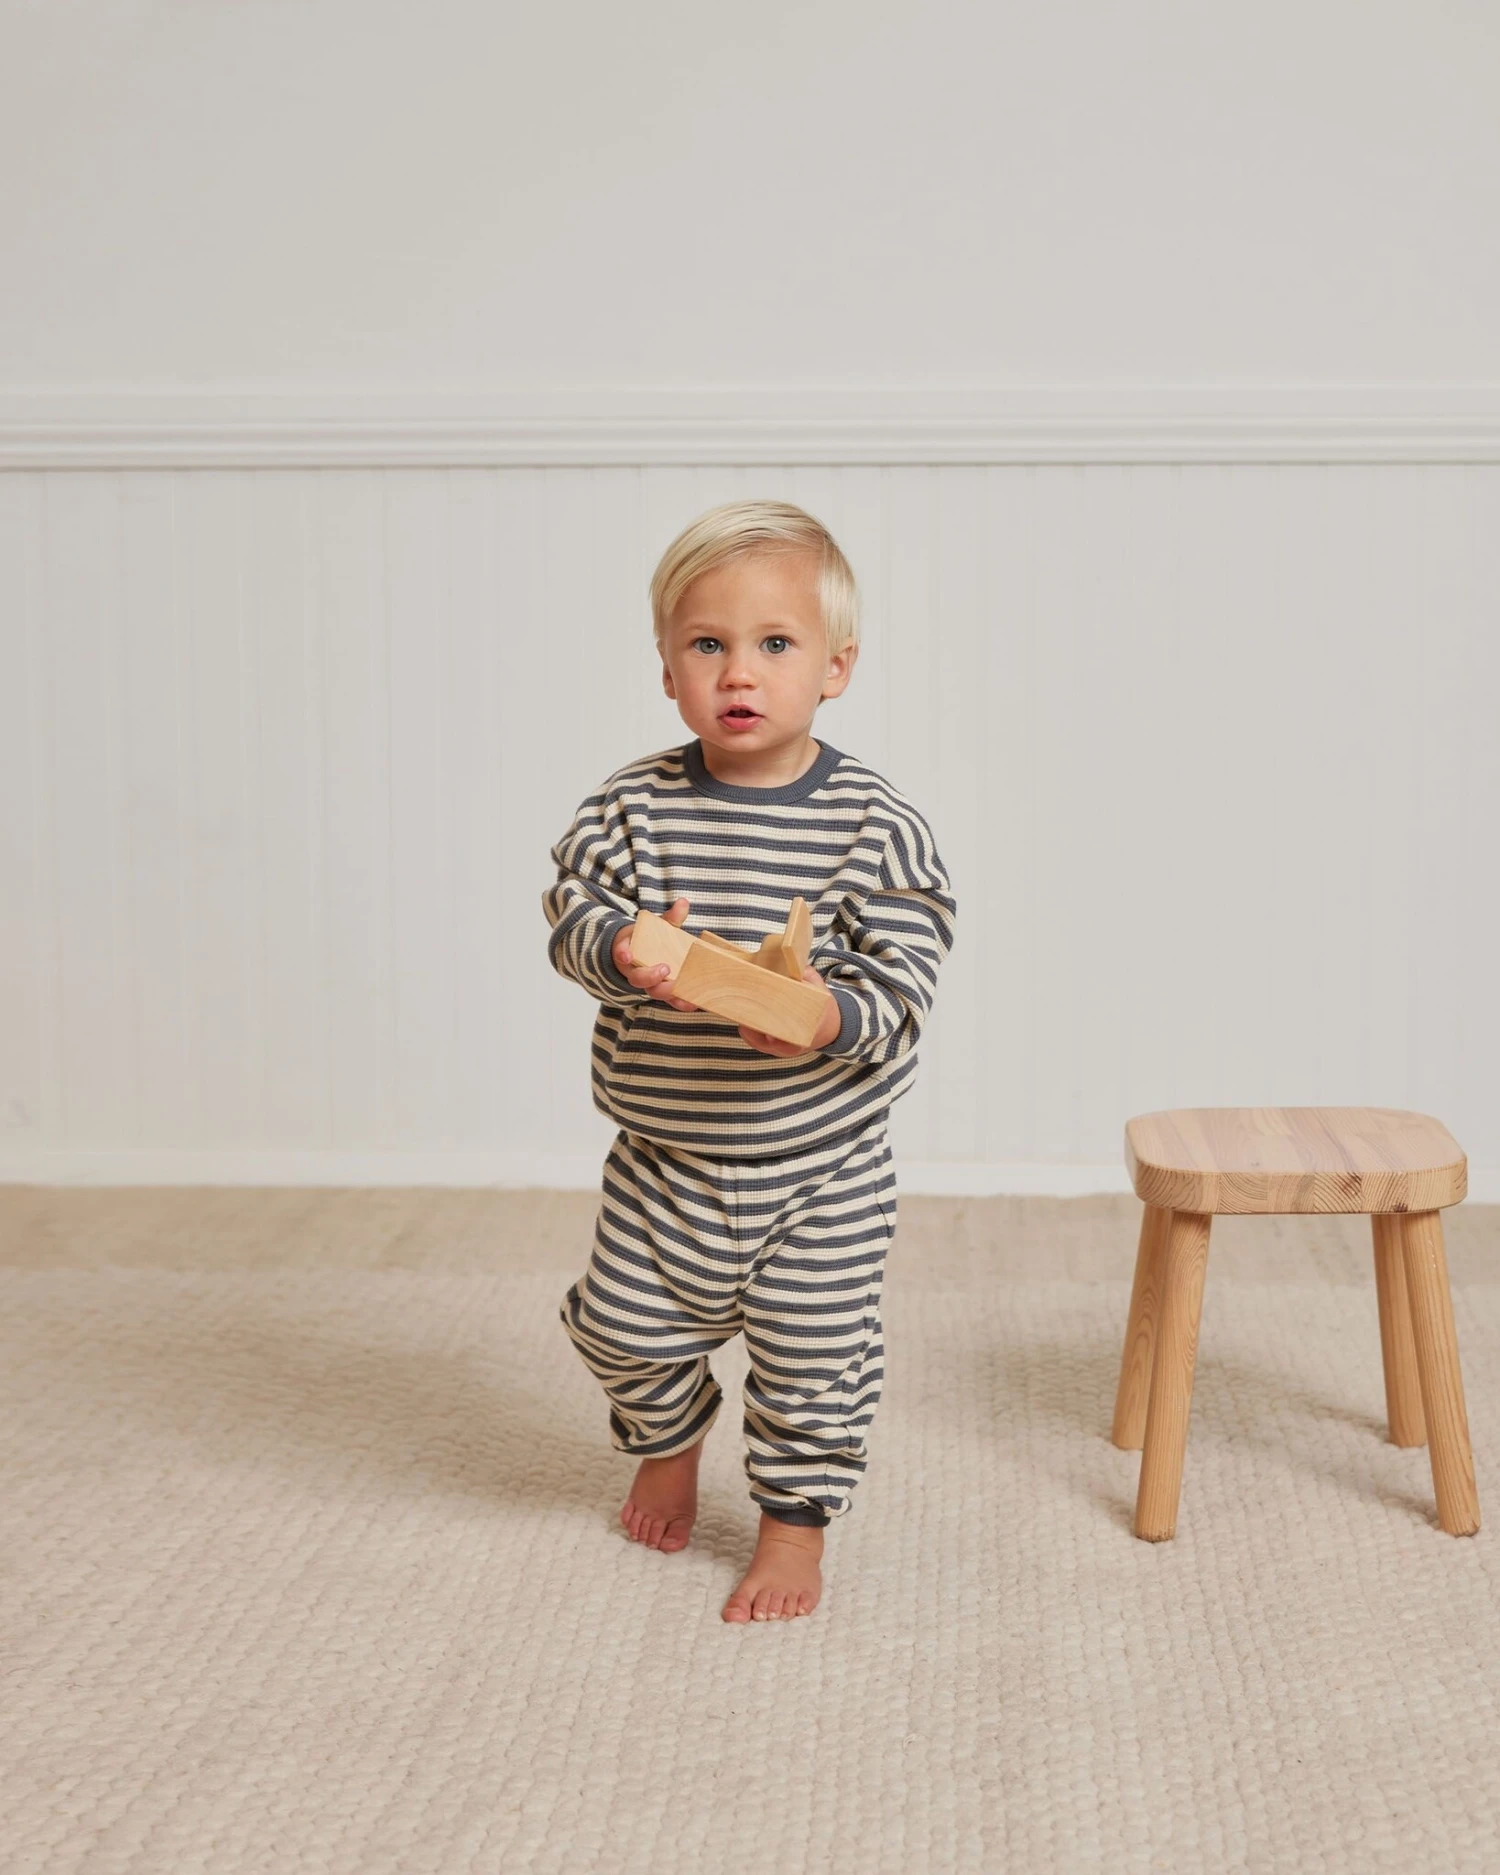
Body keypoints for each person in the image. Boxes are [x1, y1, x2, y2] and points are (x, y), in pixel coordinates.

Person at [542, 499, 957, 1622]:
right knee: (618, 1324)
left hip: (819, 1169)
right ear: (667, 668)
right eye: (707, 644)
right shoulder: (633, 807)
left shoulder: (875, 824)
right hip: (666, 1159)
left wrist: (825, 1017)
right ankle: (668, 1440)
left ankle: (792, 1527)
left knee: (813, 1358)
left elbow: (907, 977)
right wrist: (618, 948)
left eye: (776, 643)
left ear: (836, 667)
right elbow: (569, 911)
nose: (739, 671)